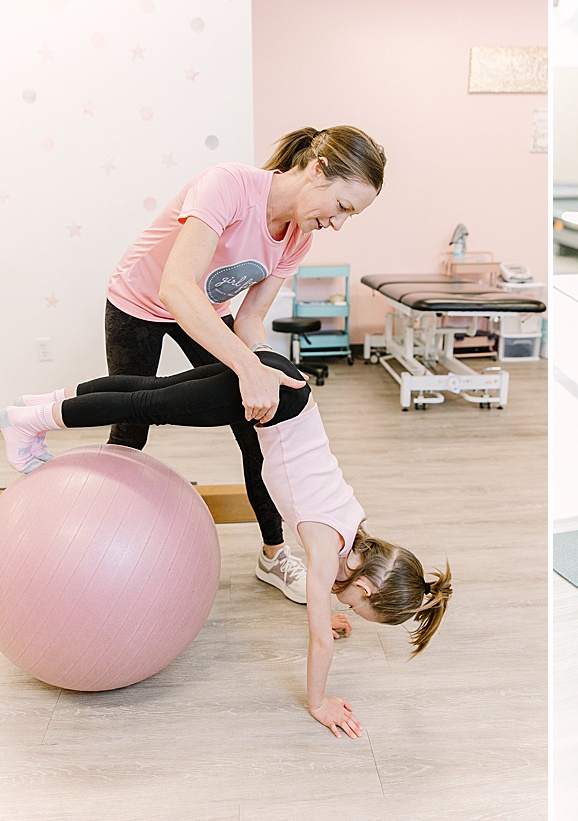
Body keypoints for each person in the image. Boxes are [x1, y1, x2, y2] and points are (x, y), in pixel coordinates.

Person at [1, 351, 451, 739]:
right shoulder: (322, 546)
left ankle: (43, 403)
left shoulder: (354, 528)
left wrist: (324, 610)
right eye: (355, 605)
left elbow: (326, 604)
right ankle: (30, 421)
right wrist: (319, 702)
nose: (344, 605)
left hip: (282, 383)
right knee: (146, 404)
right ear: (366, 586)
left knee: (154, 389)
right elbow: (319, 644)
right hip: (271, 396)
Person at [98, 125, 386, 605]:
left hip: (208, 311)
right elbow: (176, 287)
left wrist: (269, 367)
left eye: (348, 216)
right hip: (139, 302)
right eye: (341, 206)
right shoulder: (229, 185)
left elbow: (250, 319)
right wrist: (247, 368)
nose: (338, 223)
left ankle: (274, 556)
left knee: (259, 428)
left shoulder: (297, 238)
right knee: (131, 426)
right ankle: (101, 541)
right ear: (318, 170)